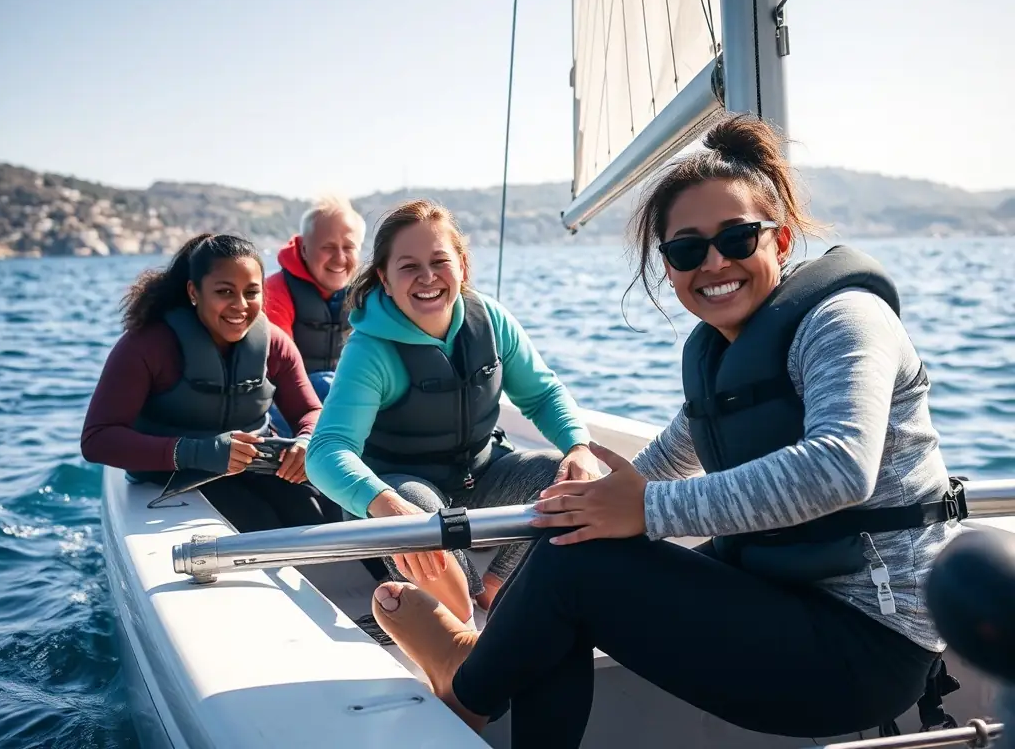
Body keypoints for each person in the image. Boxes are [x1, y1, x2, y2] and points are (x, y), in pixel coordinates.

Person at [365, 114, 969, 748]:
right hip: (789, 601)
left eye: (737, 238)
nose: (713, 262)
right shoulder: (725, 353)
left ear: (782, 242)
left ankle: (469, 687)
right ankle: (482, 673)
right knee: (576, 540)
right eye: (687, 249)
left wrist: (644, 509)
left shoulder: (843, 320)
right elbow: (669, 457)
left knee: (582, 568)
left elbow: (841, 467)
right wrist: (592, 486)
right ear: (669, 265)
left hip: (867, 646)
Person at [304, 198, 600, 626]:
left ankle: (496, 583)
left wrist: (578, 446)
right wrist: (386, 505)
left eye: (439, 260)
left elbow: (542, 395)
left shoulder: (493, 322)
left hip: (477, 481)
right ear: (384, 279)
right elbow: (326, 451)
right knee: (420, 517)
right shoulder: (370, 351)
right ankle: (462, 622)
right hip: (400, 496)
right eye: (408, 266)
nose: (427, 277)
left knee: (564, 474)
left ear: (461, 264)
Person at [81, 232, 335, 533]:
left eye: (251, 292)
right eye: (225, 292)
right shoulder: (146, 346)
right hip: (172, 476)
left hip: (254, 466)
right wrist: (199, 452)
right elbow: (97, 439)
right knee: (256, 518)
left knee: (317, 510)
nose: (240, 305)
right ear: (194, 292)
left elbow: (310, 412)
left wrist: (306, 442)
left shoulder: (274, 346)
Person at [263, 196, 365, 435]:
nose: (340, 258)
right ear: (305, 249)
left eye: (349, 247)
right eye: (328, 247)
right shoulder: (275, 291)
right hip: (286, 405)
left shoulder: (370, 294)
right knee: (326, 384)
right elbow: (275, 370)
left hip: (346, 402)